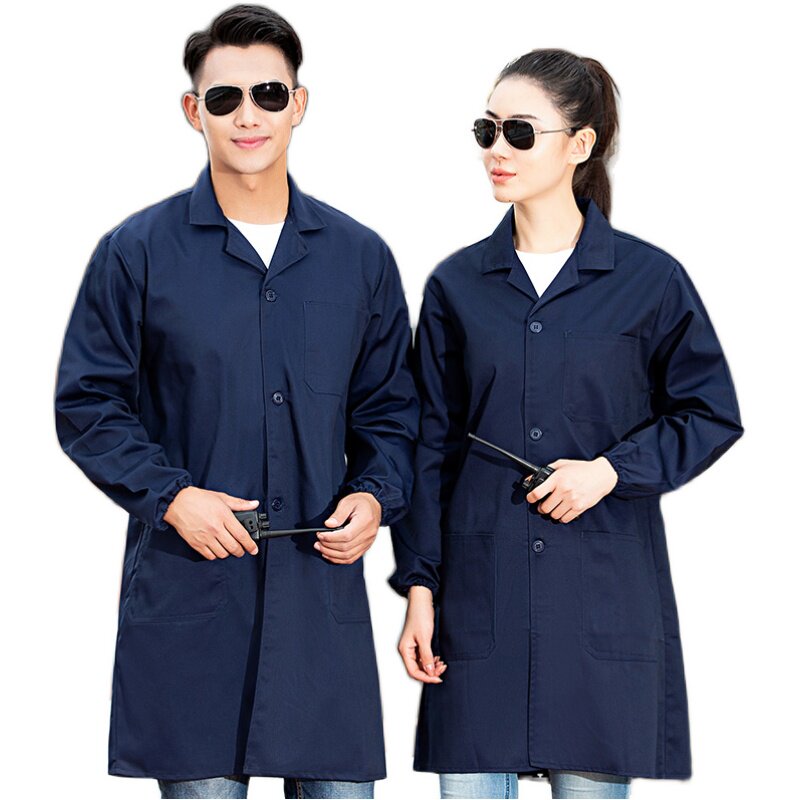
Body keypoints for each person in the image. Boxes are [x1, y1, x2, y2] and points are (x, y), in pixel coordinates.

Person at [54, 5, 417, 798]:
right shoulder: (135, 253)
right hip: (195, 608)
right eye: (224, 98)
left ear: (299, 103)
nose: (248, 115)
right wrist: (172, 497)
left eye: (268, 94)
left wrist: (374, 497)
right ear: (194, 111)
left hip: (319, 608)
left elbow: (392, 412)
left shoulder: (360, 259)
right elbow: (88, 404)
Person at [390, 48, 743, 799]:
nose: (496, 149)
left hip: (599, 603)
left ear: (580, 144)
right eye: (486, 130)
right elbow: (428, 446)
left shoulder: (650, 281)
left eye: (520, 132)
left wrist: (610, 471)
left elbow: (709, 411)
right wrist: (419, 586)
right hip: (479, 605)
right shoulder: (457, 285)